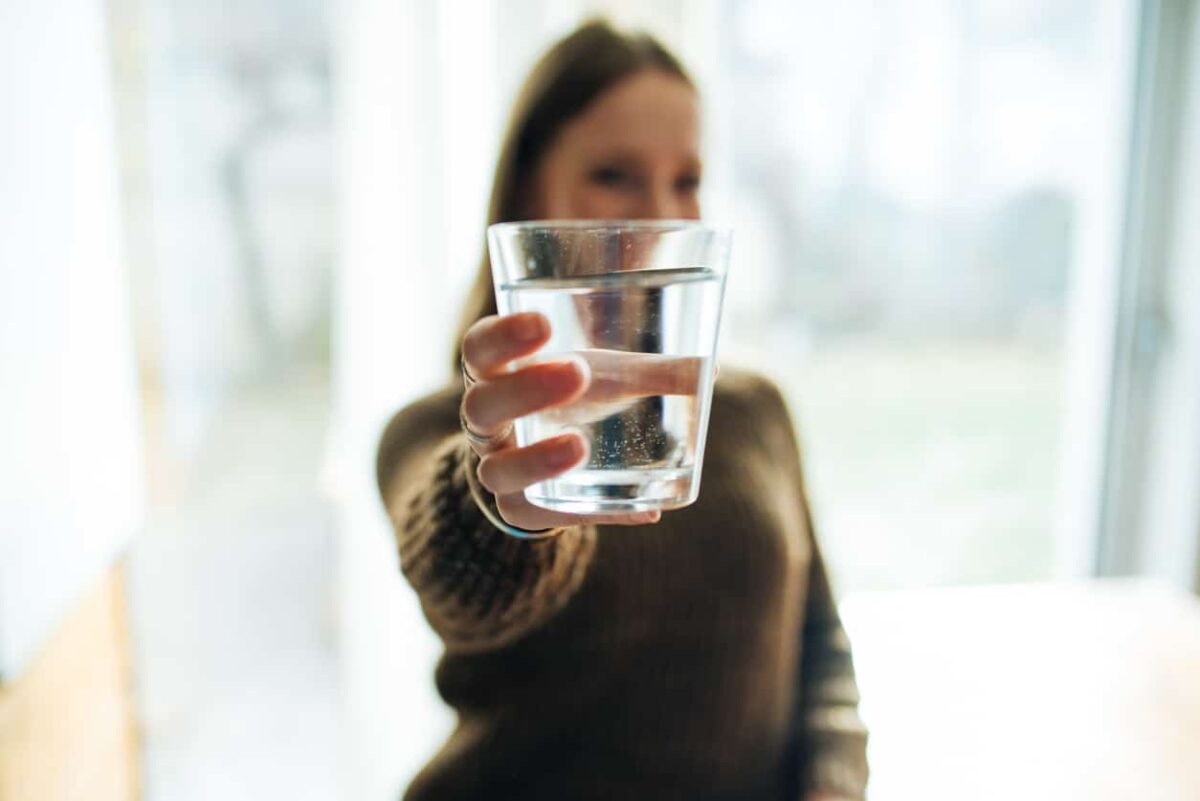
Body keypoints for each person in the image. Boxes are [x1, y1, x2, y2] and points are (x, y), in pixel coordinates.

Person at [377, 19, 868, 801]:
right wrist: (508, 504)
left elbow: (821, 649)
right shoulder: (437, 432)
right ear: (530, 190)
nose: (661, 215)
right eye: (614, 174)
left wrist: (835, 786)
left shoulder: (753, 413)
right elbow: (463, 585)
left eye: (687, 178)